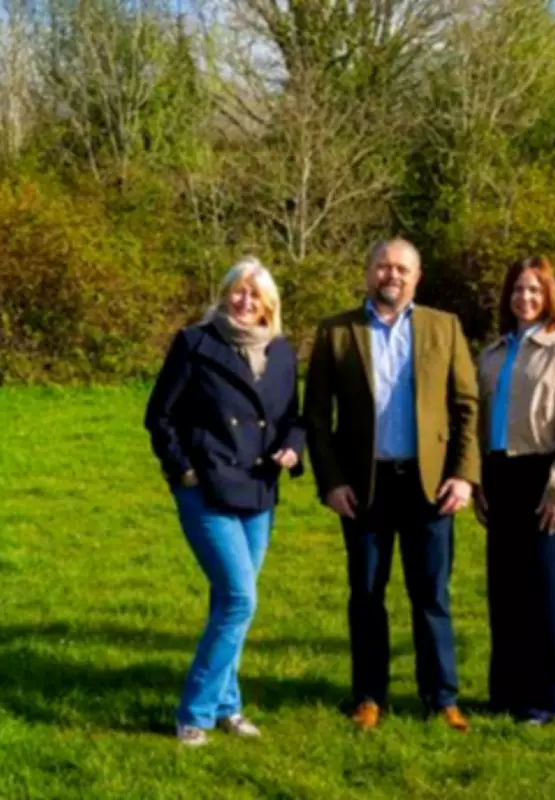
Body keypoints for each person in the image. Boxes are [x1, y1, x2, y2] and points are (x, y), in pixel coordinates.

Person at [303, 238, 480, 732]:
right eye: (383, 266)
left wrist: (464, 475)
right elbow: (315, 416)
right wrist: (331, 481)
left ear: (417, 277)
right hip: (364, 487)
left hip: (430, 486)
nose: (392, 275)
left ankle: (441, 698)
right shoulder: (337, 332)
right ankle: (368, 697)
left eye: (402, 268)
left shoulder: (444, 326)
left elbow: (467, 406)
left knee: (432, 595)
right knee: (366, 594)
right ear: (368, 272)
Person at [145, 257, 304, 746]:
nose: (245, 301)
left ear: (269, 305)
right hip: (207, 488)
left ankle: (227, 706)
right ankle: (193, 712)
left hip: (259, 489)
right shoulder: (195, 343)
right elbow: (159, 415)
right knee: (239, 599)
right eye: (238, 290)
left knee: (229, 603)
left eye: (255, 294)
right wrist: (183, 472)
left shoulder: (282, 352)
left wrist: (293, 447)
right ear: (224, 293)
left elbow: (292, 418)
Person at [476, 255, 555, 726]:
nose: (524, 297)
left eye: (534, 290)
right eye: (518, 289)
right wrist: (478, 482)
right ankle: (505, 692)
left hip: (543, 476)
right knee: (505, 590)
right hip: (499, 476)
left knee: (546, 591)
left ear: (548, 297)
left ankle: (542, 699)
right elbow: (479, 423)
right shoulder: (491, 355)